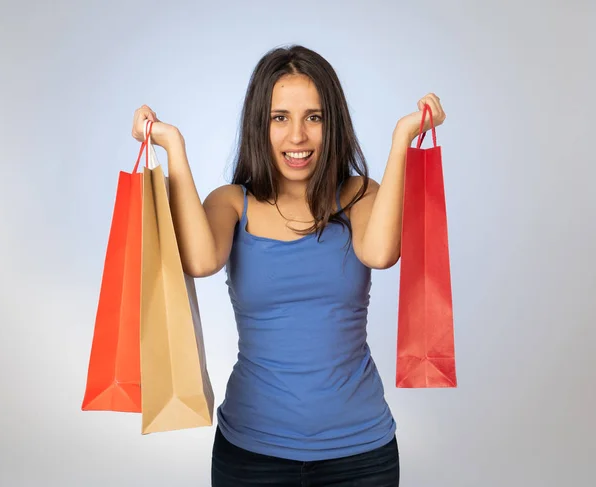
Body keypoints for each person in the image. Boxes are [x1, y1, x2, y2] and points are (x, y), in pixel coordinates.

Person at [131, 44, 445, 487]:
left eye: (313, 117)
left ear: (332, 125)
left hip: (360, 454)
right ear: (260, 125)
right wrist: (173, 148)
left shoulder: (358, 195)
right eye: (280, 117)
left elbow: (380, 254)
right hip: (251, 453)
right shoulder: (230, 203)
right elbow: (200, 262)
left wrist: (401, 140)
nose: (297, 136)